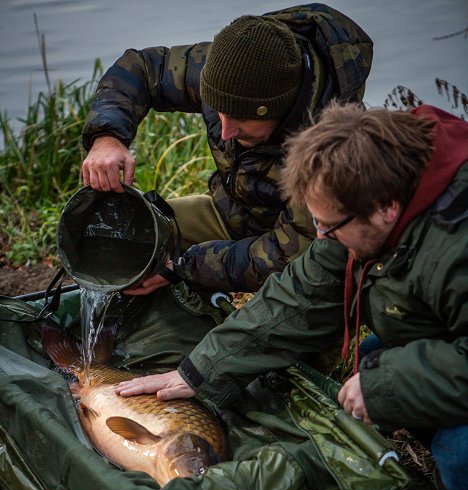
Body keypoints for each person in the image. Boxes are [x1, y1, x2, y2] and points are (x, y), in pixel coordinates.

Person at [115, 101, 468, 490]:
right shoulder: (369, 190)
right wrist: (199, 371)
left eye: (331, 226)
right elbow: (306, 290)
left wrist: (390, 386)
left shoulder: (456, 245)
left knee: (457, 444)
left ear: (387, 208)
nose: (322, 237)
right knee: (378, 362)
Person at [81, 5, 373, 294]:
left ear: (281, 109)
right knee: (120, 240)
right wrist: (107, 136)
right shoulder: (224, 72)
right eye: (218, 112)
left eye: (241, 119)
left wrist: (185, 267)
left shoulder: (331, 146)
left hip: (296, 250)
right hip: (229, 212)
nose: (225, 131)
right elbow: (144, 68)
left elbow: (289, 254)